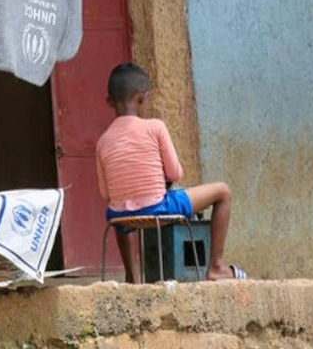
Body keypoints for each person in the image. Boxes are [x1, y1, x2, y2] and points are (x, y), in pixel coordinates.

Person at [95, 62, 241, 282]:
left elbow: (106, 195)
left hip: (120, 219)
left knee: (120, 204)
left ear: (109, 102)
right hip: (159, 209)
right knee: (223, 192)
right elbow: (174, 174)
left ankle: (131, 277)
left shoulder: (102, 142)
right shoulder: (155, 127)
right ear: (143, 98)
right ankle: (216, 268)